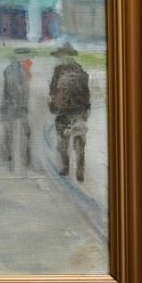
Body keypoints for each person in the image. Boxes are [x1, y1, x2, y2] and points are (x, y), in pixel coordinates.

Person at [48, 42, 91, 182]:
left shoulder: (80, 72)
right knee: (63, 145)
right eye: (61, 56)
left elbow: (86, 93)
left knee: (79, 144)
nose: (63, 58)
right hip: (64, 112)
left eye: (65, 55)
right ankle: (66, 167)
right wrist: (53, 104)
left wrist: (86, 111)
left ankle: (79, 170)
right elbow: (53, 91)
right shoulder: (58, 71)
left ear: (70, 56)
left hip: (77, 112)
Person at [0, 47, 33, 170]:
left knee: (22, 131)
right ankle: (12, 155)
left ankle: (16, 155)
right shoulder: (13, 70)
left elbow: (23, 87)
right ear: (19, 56)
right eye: (24, 56)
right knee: (14, 131)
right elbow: (14, 89)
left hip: (16, 106)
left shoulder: (21, 68)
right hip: (13, 106)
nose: (26, 58)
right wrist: (21, 104)